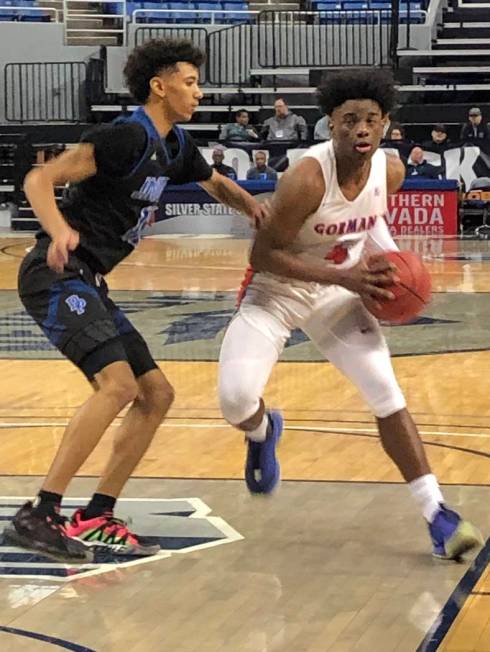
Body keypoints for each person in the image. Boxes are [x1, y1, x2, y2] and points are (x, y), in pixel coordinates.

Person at [4, 38, 267, 563]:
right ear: (159, 85)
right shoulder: (126, 137)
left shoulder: (176, 147)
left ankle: (98, 514)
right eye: (190, 82)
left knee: (157, 394)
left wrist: (260, 211)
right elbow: (39, 179)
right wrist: (57, 231)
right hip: (55, 274)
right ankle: (41, 512)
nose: (199, 91)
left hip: (91, 279)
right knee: (118, 385)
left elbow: (217, 185)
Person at [218, 69, 482, 560]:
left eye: (371, 120)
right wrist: (349, 277)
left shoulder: (392, 170)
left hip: (339, 295)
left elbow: (371, 218)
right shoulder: (305, 179)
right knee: (234, 400)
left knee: (385, 391)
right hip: (277, 292)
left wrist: (393, 272)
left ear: (385, 125)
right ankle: (262, 430)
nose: (361, 128)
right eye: (349, 120)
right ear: (330, 125)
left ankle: (438, 514)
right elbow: (263, 256)